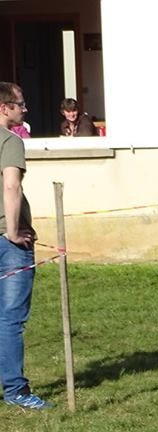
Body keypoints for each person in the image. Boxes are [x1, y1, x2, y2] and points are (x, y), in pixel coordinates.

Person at [0, 82, 51, 409]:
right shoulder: (10, 140)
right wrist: (14, 231)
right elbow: (11, 185)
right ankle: (16, 390)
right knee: (10, 319)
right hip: (8, 242)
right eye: (20, 104)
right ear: (5, 108)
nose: (25, 108)